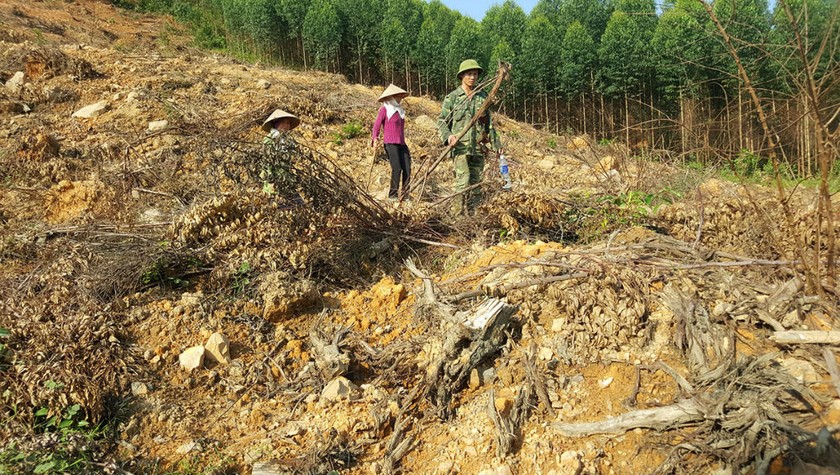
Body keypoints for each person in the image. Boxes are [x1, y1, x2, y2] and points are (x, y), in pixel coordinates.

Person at [437, 59, 503, 215]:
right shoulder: (453, 98)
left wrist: (496, 144)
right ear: (462, 76)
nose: (472, 77)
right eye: (469, 74)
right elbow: (442, 121)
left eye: (475, 74)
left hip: (478, 147)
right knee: (462, 180)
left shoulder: (483, 97)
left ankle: (473, 216)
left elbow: (489, 124)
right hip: (460, 147)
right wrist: (449, 137)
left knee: (476, 183)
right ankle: (457, 216)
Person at [371, 84, 411, 201]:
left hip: (402, 144)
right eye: (398, 96)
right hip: (390, 143)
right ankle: (392, 195)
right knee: (397, 168)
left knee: (407, 169)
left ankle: (405, 195)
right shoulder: (385, 109)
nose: (400, 98)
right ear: (392, 97)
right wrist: (375, 138)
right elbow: (376, 126)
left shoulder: (400, 111)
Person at [260, 109, 302, 199]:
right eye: (283, 122)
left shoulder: (287, 140)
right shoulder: (269, 140)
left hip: (286, 180)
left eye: (288, 123)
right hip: (275, 182)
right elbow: (268, 162)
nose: (287, 126)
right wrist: (272, 181)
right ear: (276, 124)